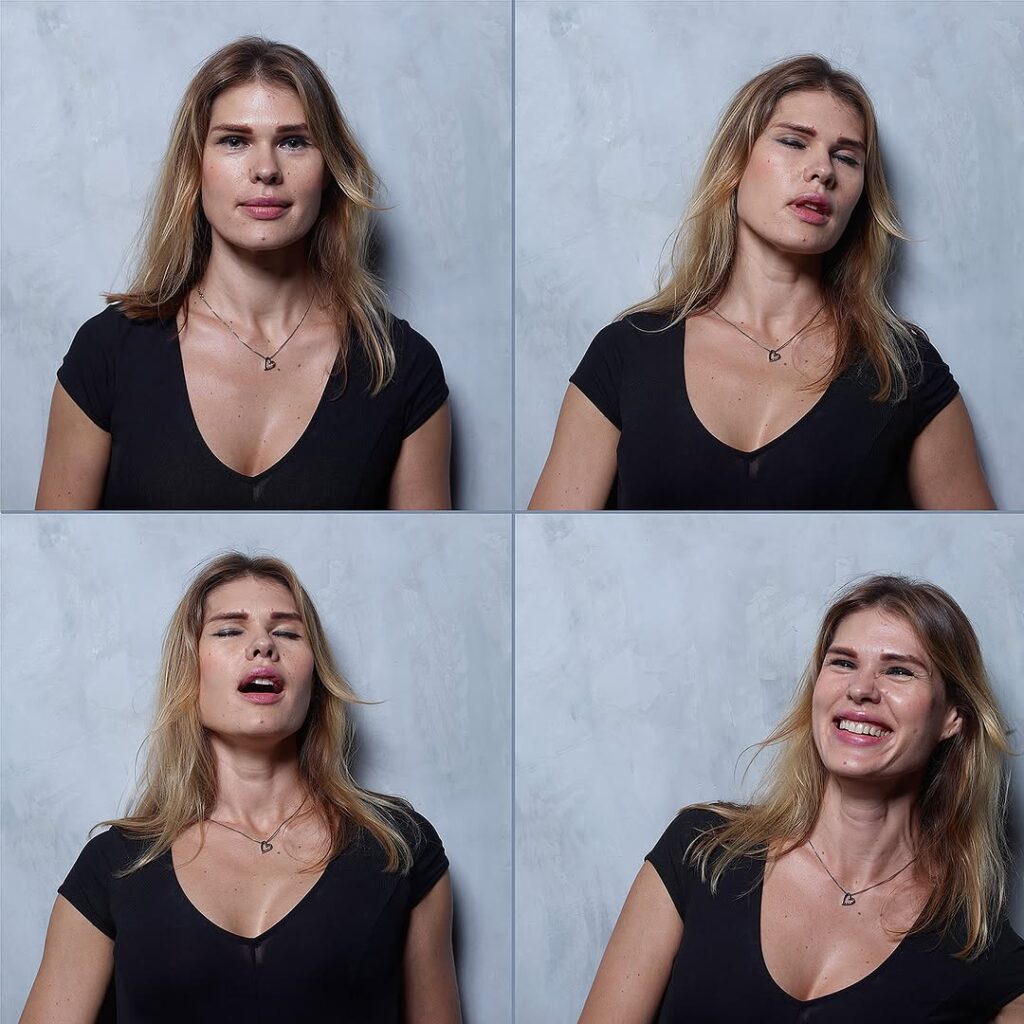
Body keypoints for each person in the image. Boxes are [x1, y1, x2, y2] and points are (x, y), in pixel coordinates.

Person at [531, 56, 994, 511]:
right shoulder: (627, 351)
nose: (823, 171)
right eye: (794, 142)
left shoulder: (903, 366)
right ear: (735, 164)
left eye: (846, 157)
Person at [21, 553, 461, 1023]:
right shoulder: (114, 865)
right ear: (190, 670)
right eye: (230, 630)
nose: (262, 646)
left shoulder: (398, 846)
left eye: (288, 632)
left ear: (315, 674)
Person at [580, 576, 1023, 1022]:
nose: (861, 688)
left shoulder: (986, 955)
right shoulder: (701, 853)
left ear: (953, 718)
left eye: (899, 670)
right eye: (843, 663)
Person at [36, 38, 451, 510]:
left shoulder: (402, 366)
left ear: (330, 169)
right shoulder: (106, 352)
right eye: (235, 141)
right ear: (196, 167)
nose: (266, 170)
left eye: (294, 141)